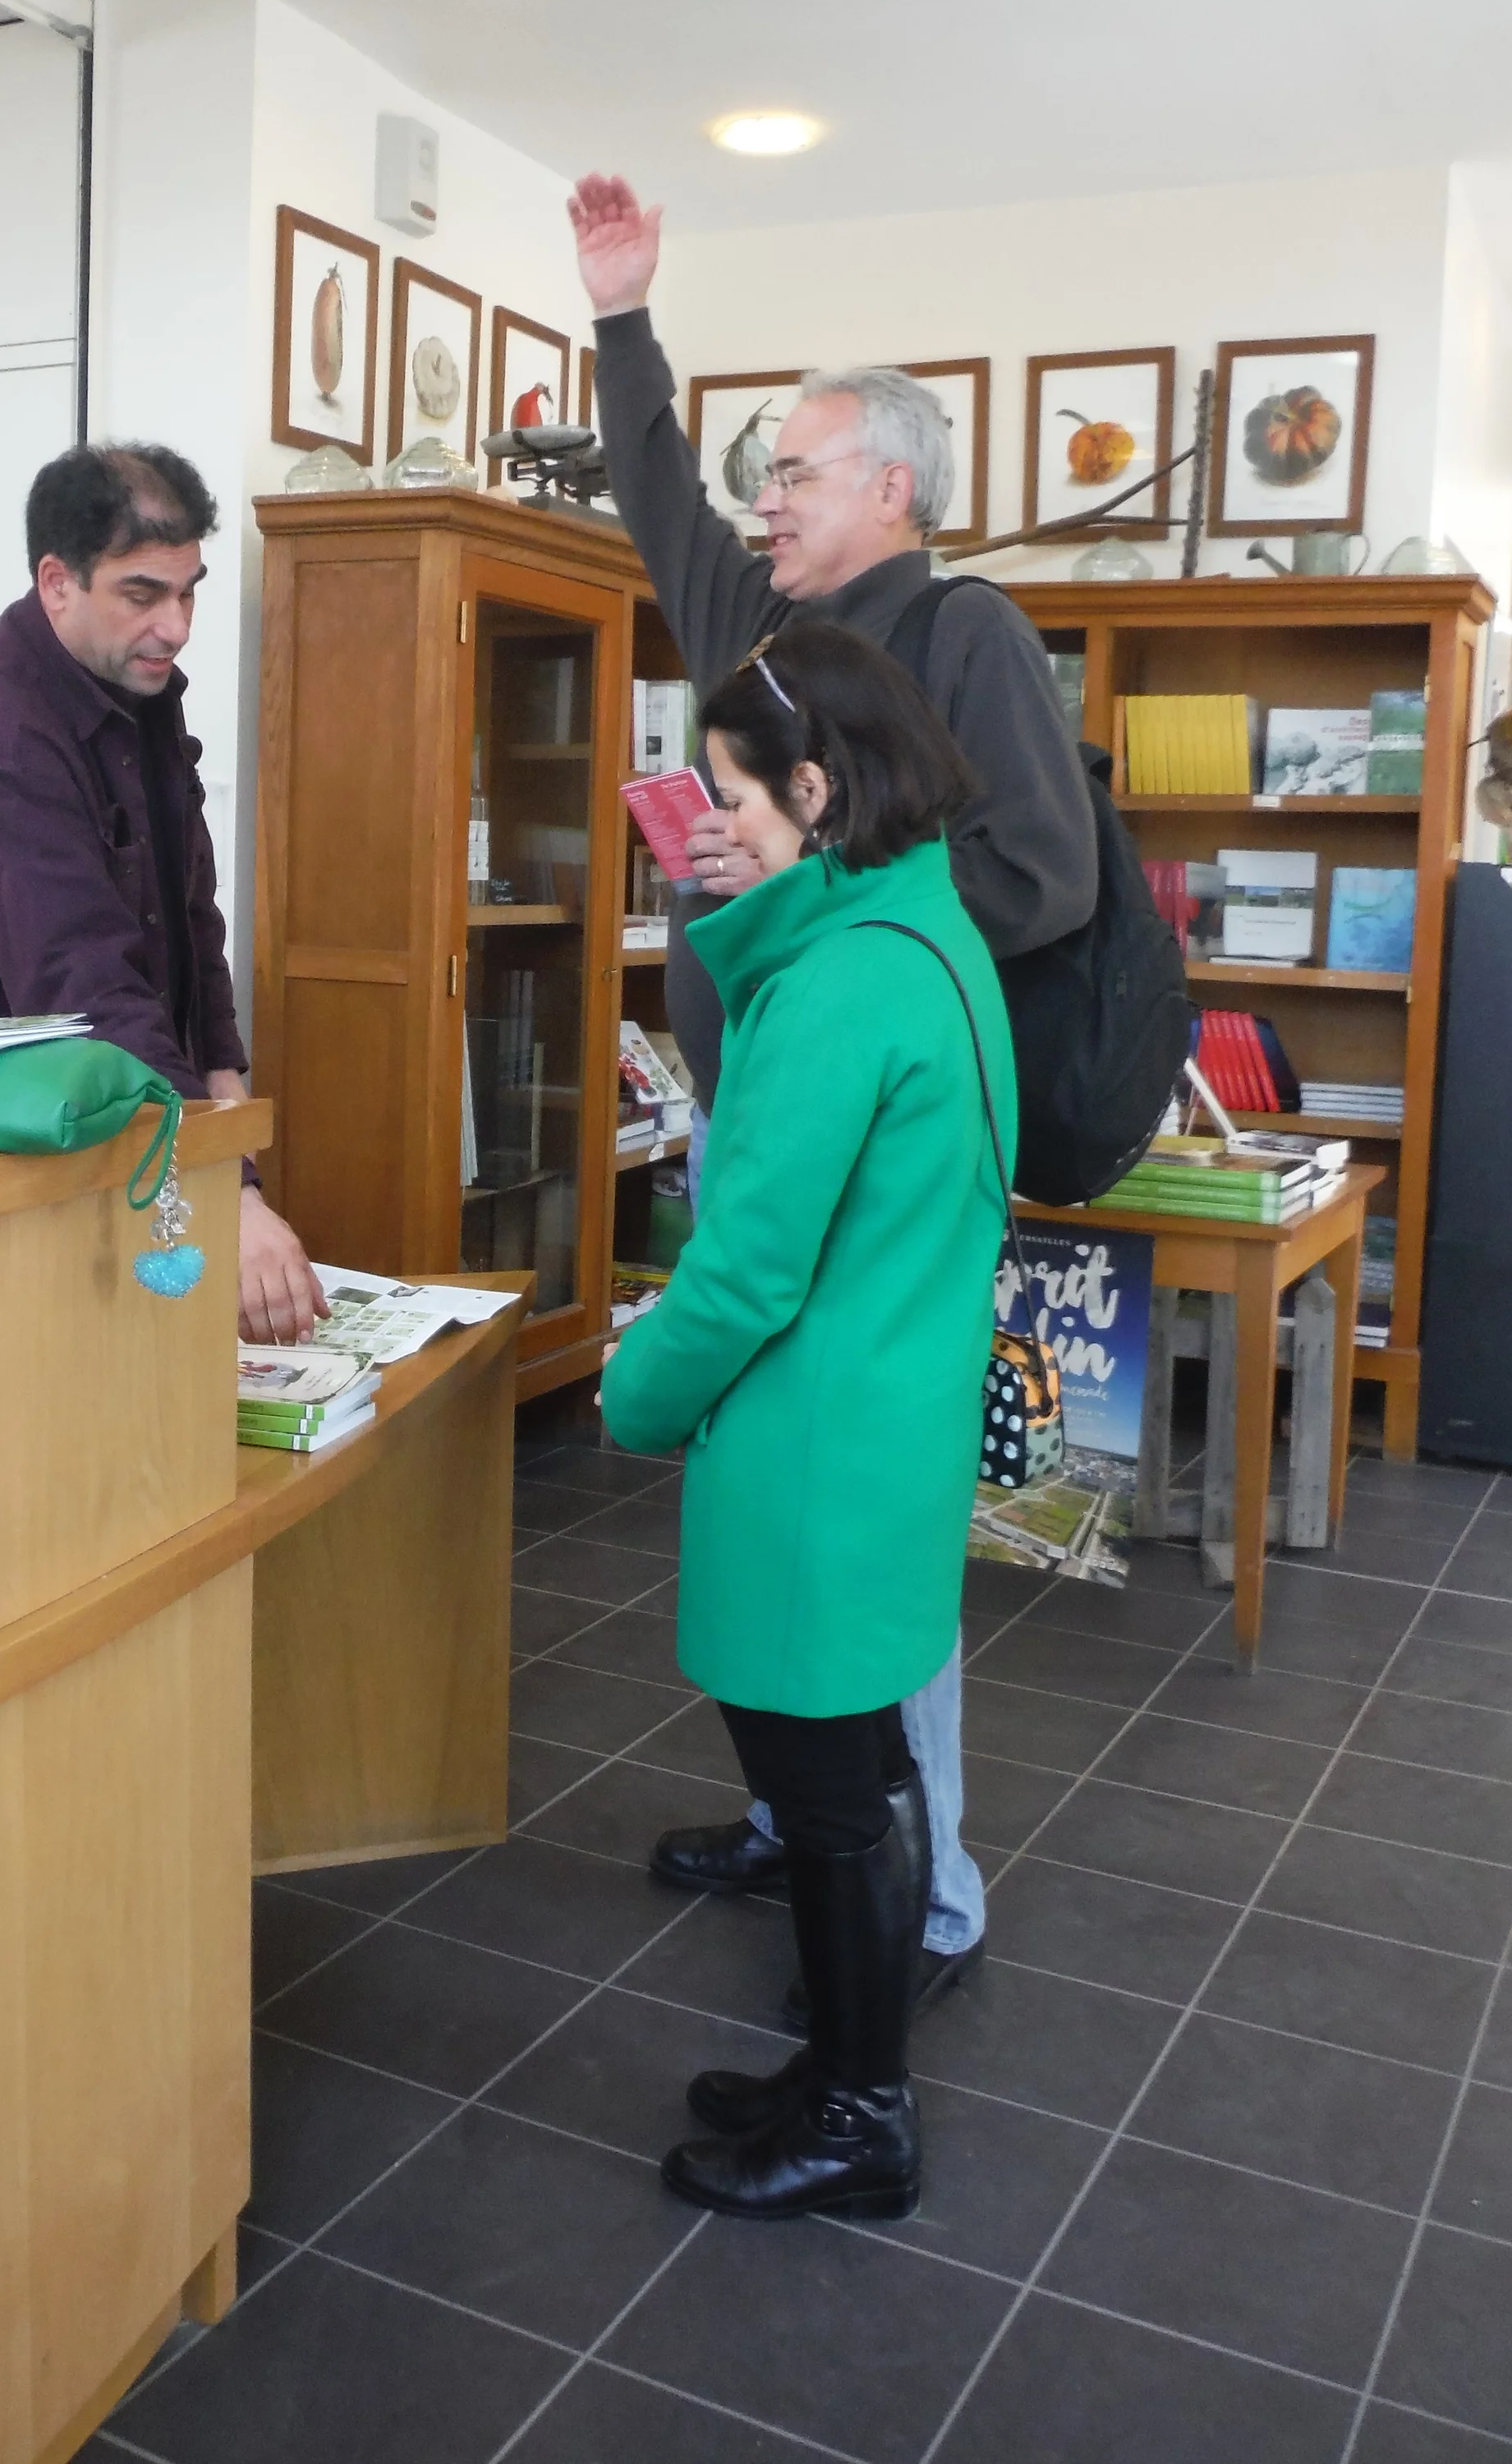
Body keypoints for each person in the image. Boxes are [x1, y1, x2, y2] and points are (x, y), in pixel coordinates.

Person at [571, 169, 1096, 2011]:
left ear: (890, 484)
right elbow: (651, 499)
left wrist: (832, 911)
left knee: (856, 1541)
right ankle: (814, 1834)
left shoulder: (960, 642)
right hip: (766, 1112)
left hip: (866, 1138)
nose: (759, 502)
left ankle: (918, 1892)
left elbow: (1040, 875)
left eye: (789, 472)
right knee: (777, 1524)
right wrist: (623, 317)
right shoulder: (771, 639)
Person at [602, 623, 1013, 2218]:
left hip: (811, 1447)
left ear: (820, 786)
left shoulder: (836, 988)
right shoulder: (923, 935)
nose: (715, 823)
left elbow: (743, 1269)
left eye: (734, 796)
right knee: (858, 1780)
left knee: (831, 1802)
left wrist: (629, 1394)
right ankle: (845, 2069)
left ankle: (857, 2111)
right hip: (887, 1423)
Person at [0, 440, 327, 1346]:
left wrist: (225, 1093)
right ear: (58, 582)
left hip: (108, 1117)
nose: (176, 625)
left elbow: (187, 912)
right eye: (142, 594)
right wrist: (219, 1185)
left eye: (189, 589)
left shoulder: (134, 678)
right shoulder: (2, 725)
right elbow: (82, 978)